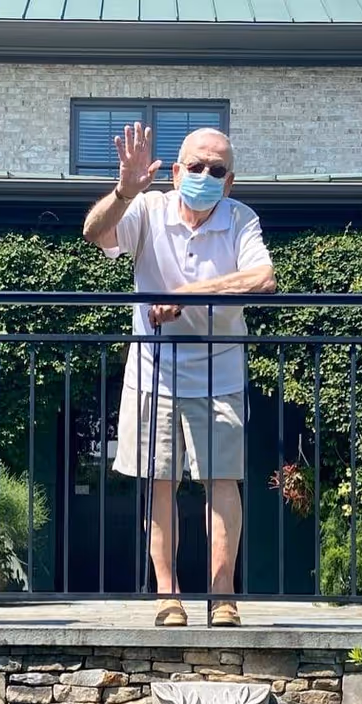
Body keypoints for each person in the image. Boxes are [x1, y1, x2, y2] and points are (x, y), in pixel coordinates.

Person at [82, 123, 276, 628]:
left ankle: (222, 596)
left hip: (222, 374)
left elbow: (262, 278)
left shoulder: (241, 219)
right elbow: (95, 233)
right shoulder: (147, 209)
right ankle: (167, 595)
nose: (205, 176)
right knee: (160, 483)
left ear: (229, 182)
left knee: (222, 482)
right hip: (153, 374)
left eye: (217, 170)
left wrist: (189, 295)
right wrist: (125, 191)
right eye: (196, 166)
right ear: (175, 171)